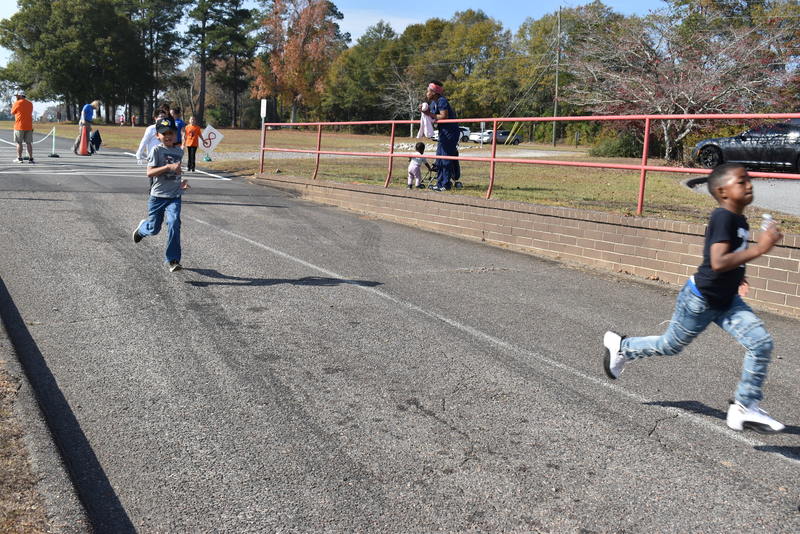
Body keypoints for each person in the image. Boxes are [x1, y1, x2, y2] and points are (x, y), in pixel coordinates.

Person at [603, 163, 785, 433]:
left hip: (727, 301)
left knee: (761, 344)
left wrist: (740, 276)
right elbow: (719, 260)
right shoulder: (722, 217)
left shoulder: (740, 220)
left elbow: (730, 260)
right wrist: (762, 248)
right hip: (700, 300)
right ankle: (623, 347)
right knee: (670, 345)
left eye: (749, 180)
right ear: (723, 191)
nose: (749, 185)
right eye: (742, 181)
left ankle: (745, 407)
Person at [132, 118, 188, 272]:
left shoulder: (179, 151)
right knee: (154, 229)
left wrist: (181, 183)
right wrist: (168, 167)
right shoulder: (157, 150)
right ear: (157, 136)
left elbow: (176, 173)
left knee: (174, 222)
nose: (168, 136)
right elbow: (149, 172)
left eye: (171, 133)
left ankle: (173, 260)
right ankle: (143, 228)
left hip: (174, 196)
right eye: (164, 134)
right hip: (157, 197)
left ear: (176, 134)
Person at [421, 81, 460, 191]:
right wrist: (424, 111)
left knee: (445, 158)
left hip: (450, 132)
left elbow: (443, 116)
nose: (427, 93)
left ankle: (445, 184)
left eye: (428, 91)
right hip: (443, 132)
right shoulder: (433, 103)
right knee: (439, 159)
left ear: (434, 92)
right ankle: (439, 183)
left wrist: (429, 114)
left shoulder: (442, 100)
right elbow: (433, 117)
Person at [11, 91, 34, 164]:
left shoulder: (17, 103)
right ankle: (31, 159)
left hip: (19, 126)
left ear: (20, 96)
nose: (16, 97)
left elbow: (12, 112)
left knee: (19, 143)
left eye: (17, 95)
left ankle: (20, 158)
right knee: (29, 143)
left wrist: (14, 104)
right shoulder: (30, 103)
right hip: (29, 125)